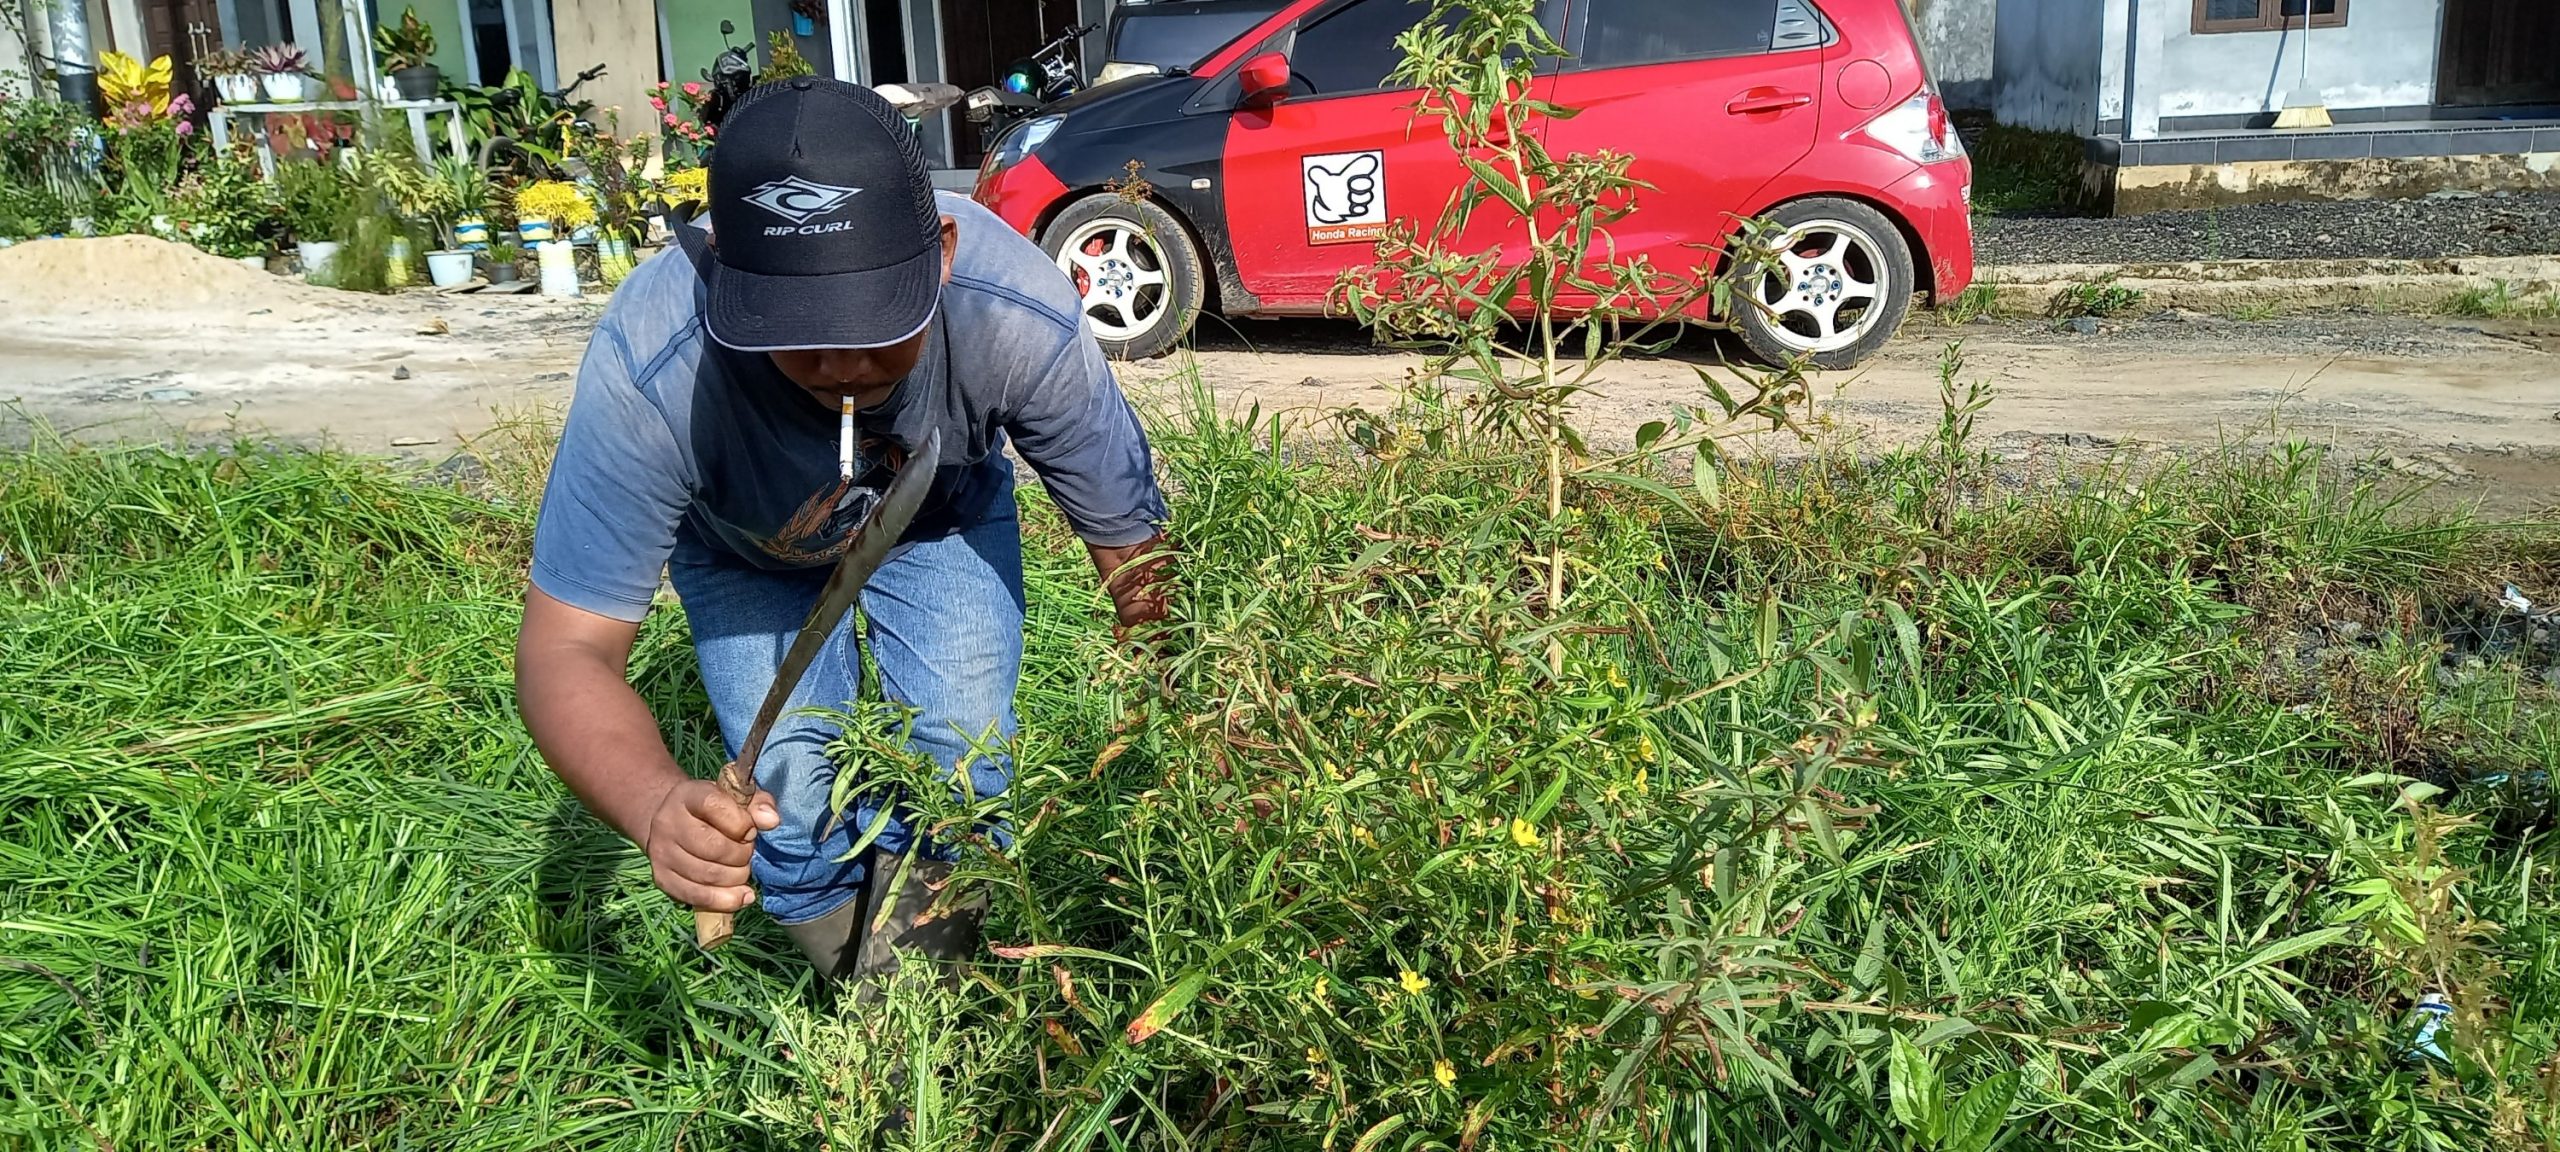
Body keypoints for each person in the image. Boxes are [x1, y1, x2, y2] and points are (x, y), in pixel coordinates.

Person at [514, 77, 1170, 983]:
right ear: (726, 279)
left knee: (961, 755)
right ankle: (851, 987)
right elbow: (564, 651)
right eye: (796, 330)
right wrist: (658, 805)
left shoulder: (1014, 315)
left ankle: (926, 999)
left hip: (936, 516)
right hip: (746, 548)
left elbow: (1137, 555)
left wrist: (1214, 714)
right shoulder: (654, 365)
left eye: (876, 322)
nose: (842, 364)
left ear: (942, 256)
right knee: (786, 800)